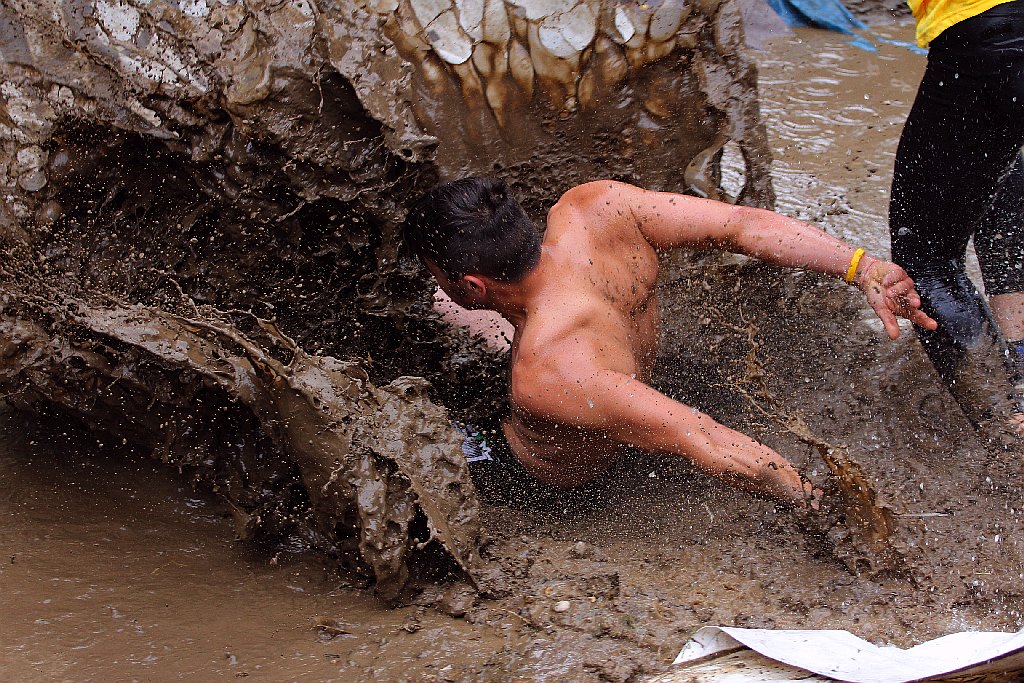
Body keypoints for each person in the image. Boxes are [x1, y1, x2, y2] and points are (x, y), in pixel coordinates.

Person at [403, 178, 937, 506]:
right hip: (619, 377)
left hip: (549, 480)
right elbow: (743, 226)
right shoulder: (596, 208)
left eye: (438, 273)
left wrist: (818, 503)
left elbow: (701, 438)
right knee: (453, 316)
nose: (436, 282)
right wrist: (862, 266)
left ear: (473, 284)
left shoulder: (544, 371)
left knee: (404, 450)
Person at [889, 0, 1024, 432]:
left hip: (982, 30)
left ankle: (1009, 439)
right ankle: (1019, 365)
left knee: (925, 261)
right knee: (997, 182)